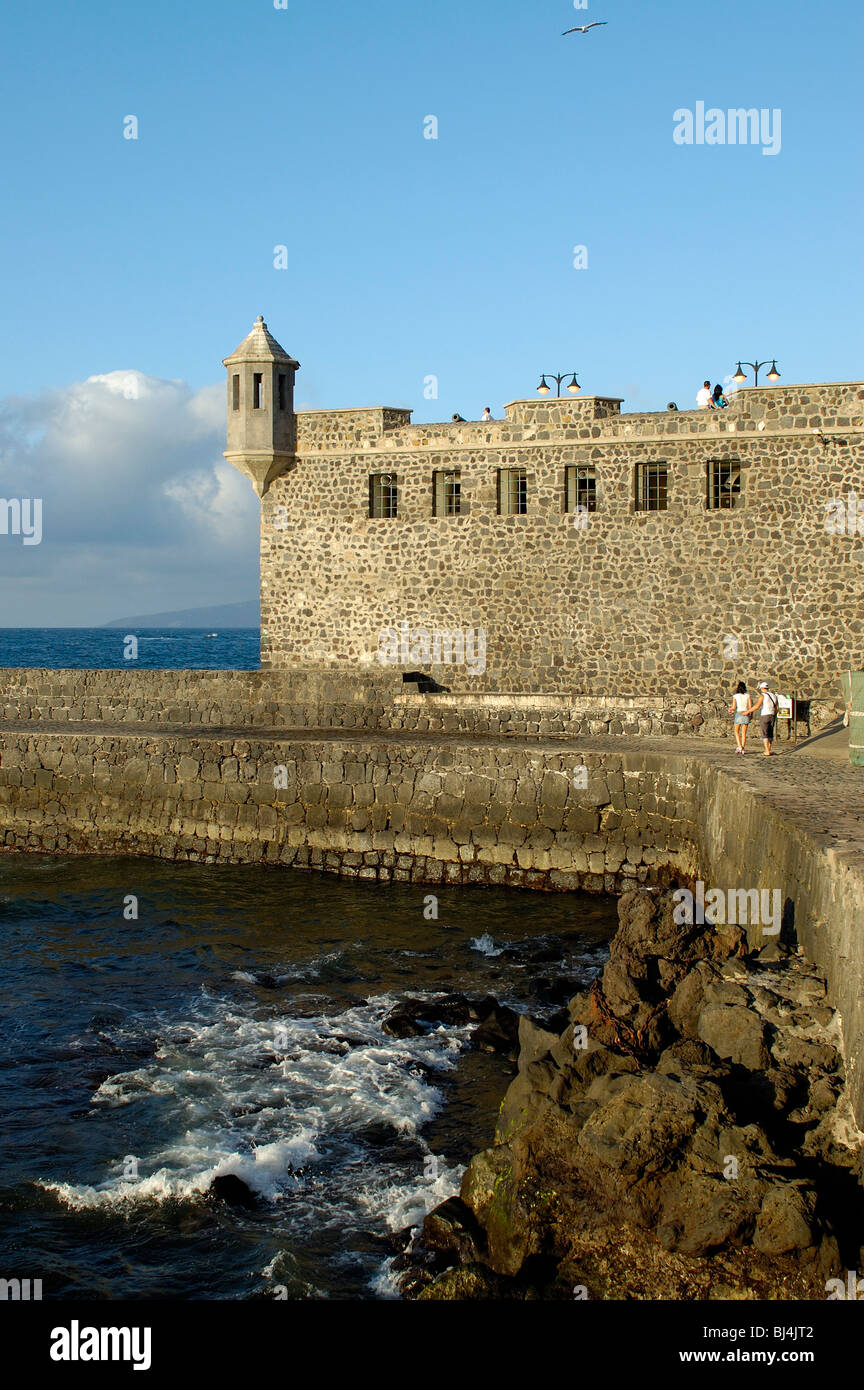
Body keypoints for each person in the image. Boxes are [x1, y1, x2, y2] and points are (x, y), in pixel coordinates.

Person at [729, 680, 756, 754]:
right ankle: (743, 748)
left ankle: (739, 746)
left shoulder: (735, 696)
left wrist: (730, 709)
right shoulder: (748, 696)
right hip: (746, 713)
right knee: (744, 733)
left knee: (736, 732)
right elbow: (750, 707)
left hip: (739, 714)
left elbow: (734, 707)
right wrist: (750, 715)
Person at [757, 681, 780, 757]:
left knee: (765, 733)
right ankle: (769, 749)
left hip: (765, 715)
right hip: (772, 715)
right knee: (770, 733)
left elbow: (757, 706)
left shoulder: (762, 695)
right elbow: (777, 708)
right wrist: (774, 714)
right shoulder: (774, 695)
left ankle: (767, 750)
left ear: (762, 688)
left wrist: (748, 711)